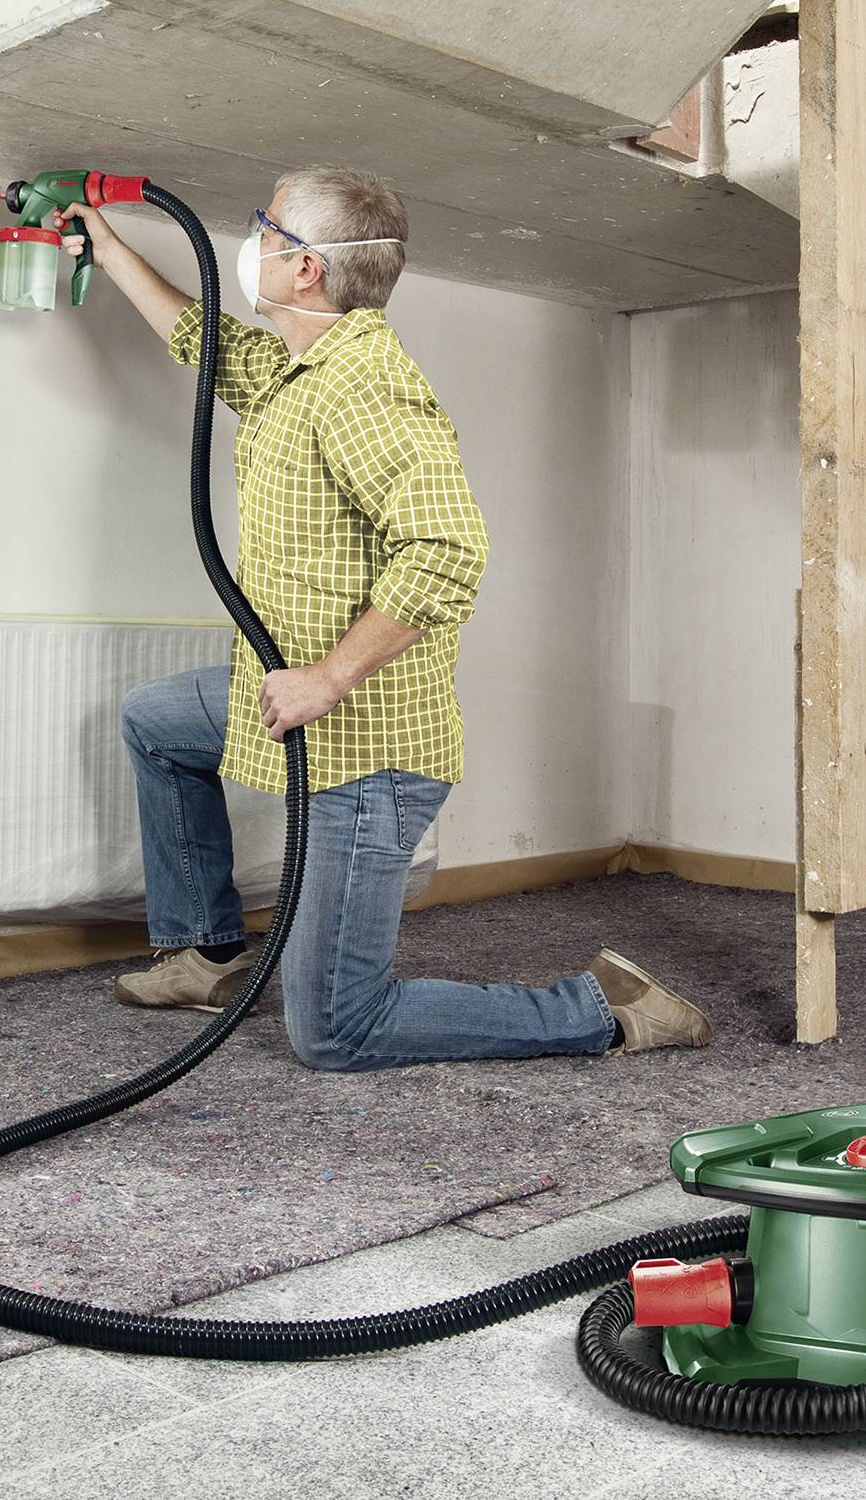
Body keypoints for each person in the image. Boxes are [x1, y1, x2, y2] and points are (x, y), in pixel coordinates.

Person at [51, 165, 714, 1071]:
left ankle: (605, 1006)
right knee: (158, 722)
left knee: (331, 1028)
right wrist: (109, 246)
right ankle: (206, 951)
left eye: (267, 225)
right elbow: (209, 347)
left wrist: (327, 676)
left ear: (306, 269)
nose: (253, 238)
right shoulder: (299, 368)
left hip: (366, 751)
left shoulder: (365, 383)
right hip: (284, 701)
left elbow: (445, 550)